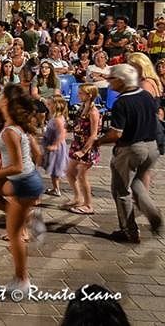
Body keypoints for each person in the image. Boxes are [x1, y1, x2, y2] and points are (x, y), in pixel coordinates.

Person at [0, 83, 45, 295]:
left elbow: (17, 166)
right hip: (22, 180)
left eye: (1, 95)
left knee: (14, 236)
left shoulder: (10, 132)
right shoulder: (12, 126)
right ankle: (28, 217)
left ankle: (22, 280)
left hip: (23, 182)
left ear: (7, 102)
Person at [93, 64, 163, 242]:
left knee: (121, 190)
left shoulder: (122, 102)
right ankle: (152, 212)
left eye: (111, 79)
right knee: (137, 182)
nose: (109, 82)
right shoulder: (145, 95)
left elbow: (116, 133)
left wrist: (98, 141)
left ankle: (129, 230)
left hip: (132, 148)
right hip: (151, 147)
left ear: (121, 80)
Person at [66, 84, 101, 215]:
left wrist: (83, 151)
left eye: (81, 93)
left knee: (82, 175)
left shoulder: (93, 112)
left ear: (89, 95)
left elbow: (94, 134)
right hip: (77, 143)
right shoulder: (82, 108)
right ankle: (77, 198)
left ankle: (88, 204)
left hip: (87, 147)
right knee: (70, 172)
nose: (78, 95)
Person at [43, 95, 70, 197]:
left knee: (55, 168)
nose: (47, 106)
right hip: (51, 143)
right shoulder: (54, 117)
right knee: (52, 168)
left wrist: (55, 145)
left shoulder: (58, 119)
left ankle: (56, 189)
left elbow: (62, 133)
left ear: (56, 106)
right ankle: (55, 188)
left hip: (56, 147)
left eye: (49, 104)